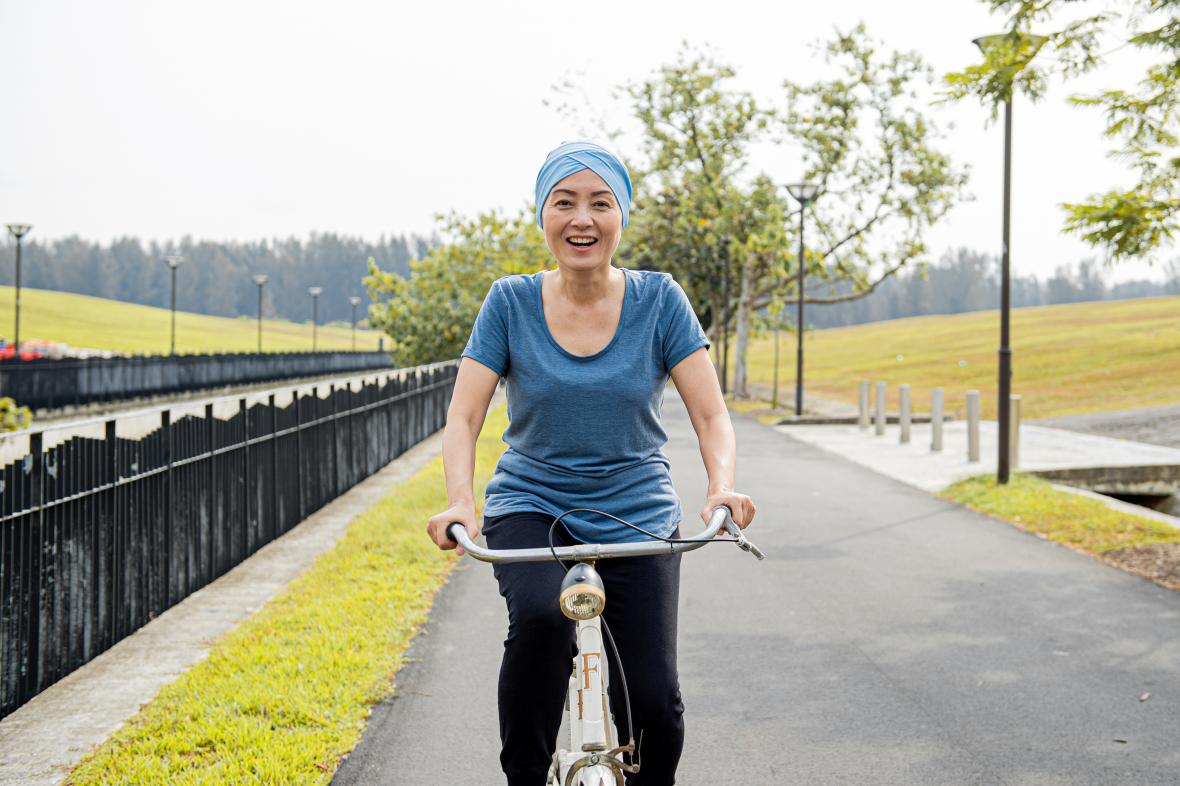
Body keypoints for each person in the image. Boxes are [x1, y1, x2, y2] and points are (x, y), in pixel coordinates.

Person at [426, 140, 756, 786]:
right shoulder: (510, 302)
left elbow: (712, 415)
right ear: (543, 215)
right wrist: (461, 502)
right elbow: (464, 417)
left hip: (636, 509)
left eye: (600, 203)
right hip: (532, 505)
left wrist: (722, 488)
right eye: (565, 202)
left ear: (621, 215)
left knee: (654, 700)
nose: (583, 219)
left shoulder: (660, 302)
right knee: (545, 622)